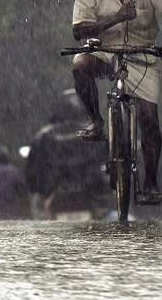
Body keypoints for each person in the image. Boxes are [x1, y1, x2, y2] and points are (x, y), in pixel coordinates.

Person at [70, 0, 162, 205]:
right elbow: (79, 30)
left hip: (142, 54)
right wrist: (117, 18)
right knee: (79, 66)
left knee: (149, 119)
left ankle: (151, 181)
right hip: (104, 51)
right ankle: (97, 121)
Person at [25, 90, 108, 219]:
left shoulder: (43, 136)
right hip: (91, 194)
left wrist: (40, 190)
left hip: (54, 194)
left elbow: (32, 172)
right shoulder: (96, 134)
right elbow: (108, 164)